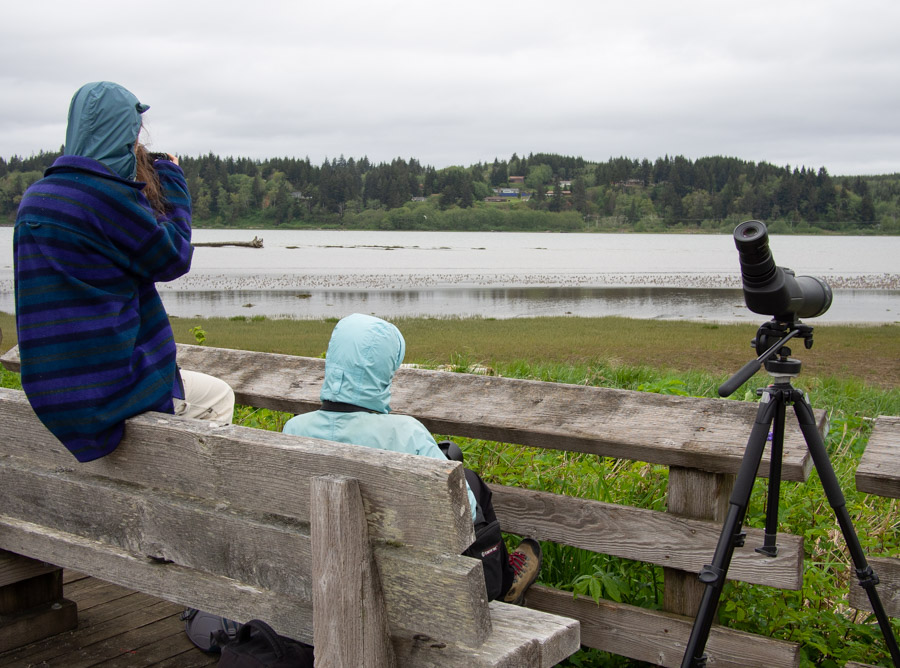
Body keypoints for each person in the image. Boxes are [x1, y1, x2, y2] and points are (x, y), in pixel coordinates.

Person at [13, 81, 234, 463]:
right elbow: (173, 256)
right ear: (124, 135)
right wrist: (171, 177)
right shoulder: (105, 198)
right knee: (217, 397)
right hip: (109, 392)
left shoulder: (38, 198)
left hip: (54, 393)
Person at [283, 313, 542, 604]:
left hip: (320, 576)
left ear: (333, 363)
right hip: (404, 587)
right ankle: (504, 579)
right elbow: (465, 511)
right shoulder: (407, 433)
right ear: (382, 373)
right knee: (470, 484)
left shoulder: (294, 430)